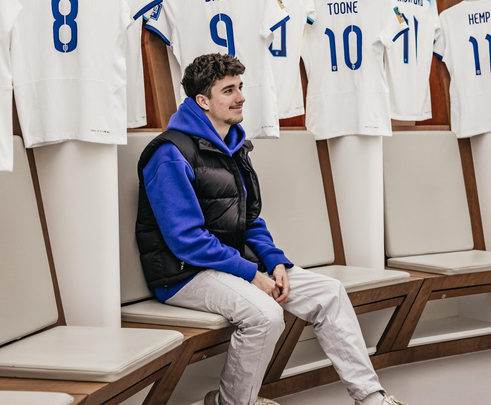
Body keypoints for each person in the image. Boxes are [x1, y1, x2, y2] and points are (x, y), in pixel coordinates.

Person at [136, 53, 408, 405]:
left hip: (230, 264)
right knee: (265, 315)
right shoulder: (170, 152)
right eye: (228, 90)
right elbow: (184, 240)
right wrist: (252, 274)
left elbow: (249, 219)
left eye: (241, 87)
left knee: (329, 293)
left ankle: (370, 396)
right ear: (202, 101)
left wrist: (275, 262)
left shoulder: (233, 145)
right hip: (183, 274)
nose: (241, 97)